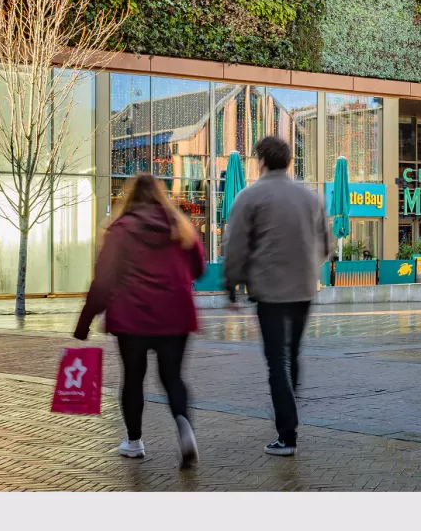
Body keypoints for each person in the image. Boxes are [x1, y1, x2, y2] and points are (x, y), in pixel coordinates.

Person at [74, 174, 205, 468]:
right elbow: (198, 267)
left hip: (131, 317)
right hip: (175, 315)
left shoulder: (120, 230)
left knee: (133, 379)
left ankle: (134, 441)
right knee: (172, 377)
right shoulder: (180, 227)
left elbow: (104, 280)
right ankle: (184, 426)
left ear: (129, 198)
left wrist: (84, 322)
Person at [224, 135, 331, 457]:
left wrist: (232, 283)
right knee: (292, 355)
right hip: (303, 289)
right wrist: (307, 267)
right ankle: (289, 410)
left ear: (261, 160)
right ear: (288, 161)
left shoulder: (250, 195)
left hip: (270, 290)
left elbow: (236, 246)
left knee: (277, 360)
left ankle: (287, 433)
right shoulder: (311, 197)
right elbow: (326, 245)